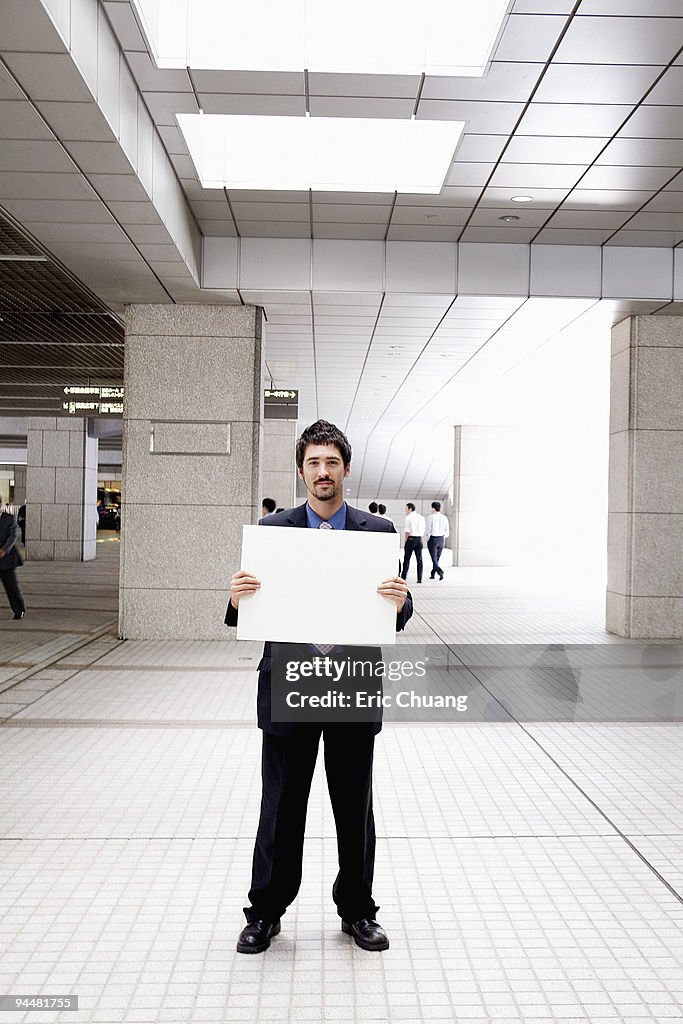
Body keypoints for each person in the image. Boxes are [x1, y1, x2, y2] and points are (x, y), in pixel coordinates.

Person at [225, 420, 412, 955]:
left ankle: (358, 910)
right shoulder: (273, 531)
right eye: (314, 463)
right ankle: (265, 911)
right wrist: (238, 599)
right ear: (302, 469)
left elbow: (395, 614)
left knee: (354, 807)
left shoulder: (375, 535)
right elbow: (248, 615)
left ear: (346, 469)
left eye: (332, 462)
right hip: (290, 685)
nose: (323, 472)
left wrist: (400, 602)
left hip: (351, 684)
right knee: (281, 805)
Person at [0, 502, 26, 619]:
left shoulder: (9, 518)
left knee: (12, 586)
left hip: (7, 559)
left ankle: (19, 609)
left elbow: (13, 536)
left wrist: (4, 550)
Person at [401, 502, 426, 584]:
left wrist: (406, 541)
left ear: (410, 509)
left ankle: (403, 577)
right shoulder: (421, 517)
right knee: (419, 559)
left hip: (411, 539)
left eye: (406, 509)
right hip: (419, 539)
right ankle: (419, 578)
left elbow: (407, 531)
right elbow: (423, 529)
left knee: (407, 559)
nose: (405, 511)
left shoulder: (408, 518)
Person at [425, 501, 449, 581]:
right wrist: (443, 537)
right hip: (441, 539)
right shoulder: (444, 517)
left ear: (433, 508)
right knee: (437, 558)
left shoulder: (431, 517)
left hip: (433, 539)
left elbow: (428, 529)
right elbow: (447, 530)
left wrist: (428, 536)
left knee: (434, 558)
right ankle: (433, 574)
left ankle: (440, 571)